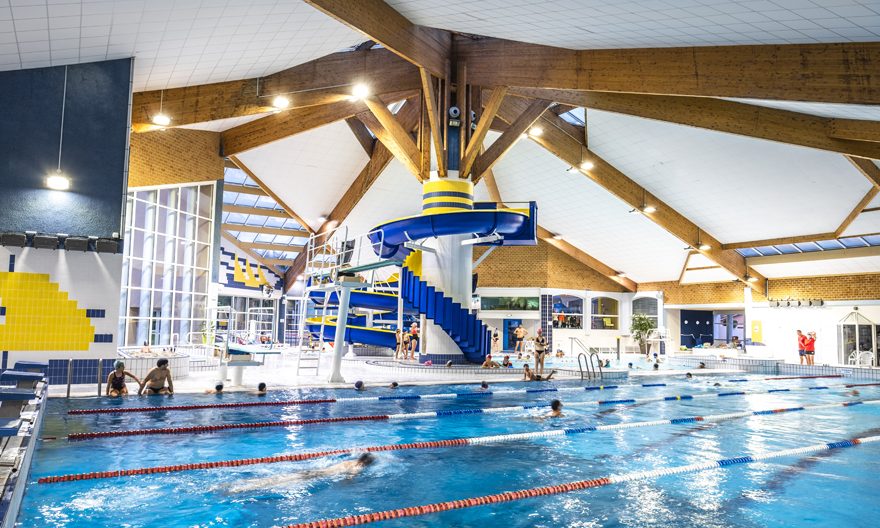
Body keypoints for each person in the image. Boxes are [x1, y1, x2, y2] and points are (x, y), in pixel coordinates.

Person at [227, 453, 376, 493]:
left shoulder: (349, 462)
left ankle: (237, 484)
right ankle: (240, 489)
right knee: (279, 482)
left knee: (277, 478)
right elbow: (349, 479)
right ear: (365, 463)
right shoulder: (357, 467)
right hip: (318, 476)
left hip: (315, 470)